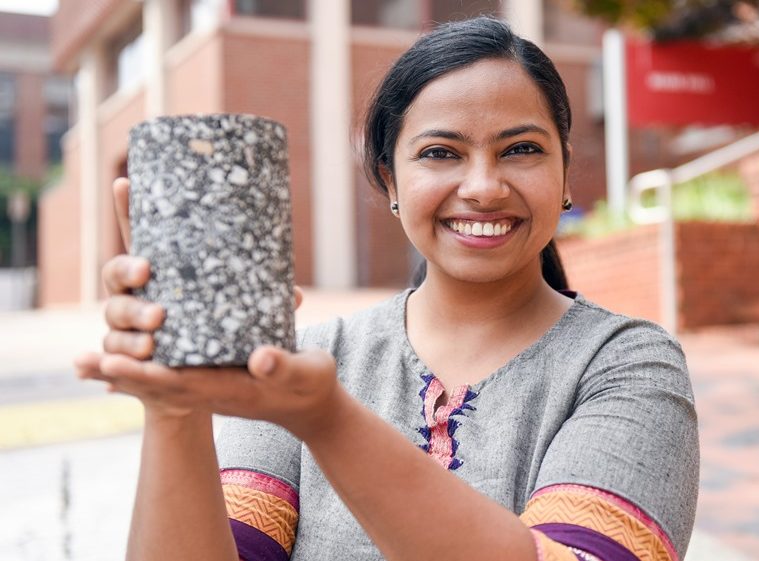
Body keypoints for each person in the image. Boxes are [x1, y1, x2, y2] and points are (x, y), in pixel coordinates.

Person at [74, 16, 699, 561]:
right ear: (389, 179)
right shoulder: (305, 362)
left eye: (521, 149)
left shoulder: (627, 364)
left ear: (564, 169)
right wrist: (175, 412)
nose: (483, 186)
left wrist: (327, 421)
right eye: (440, 153)